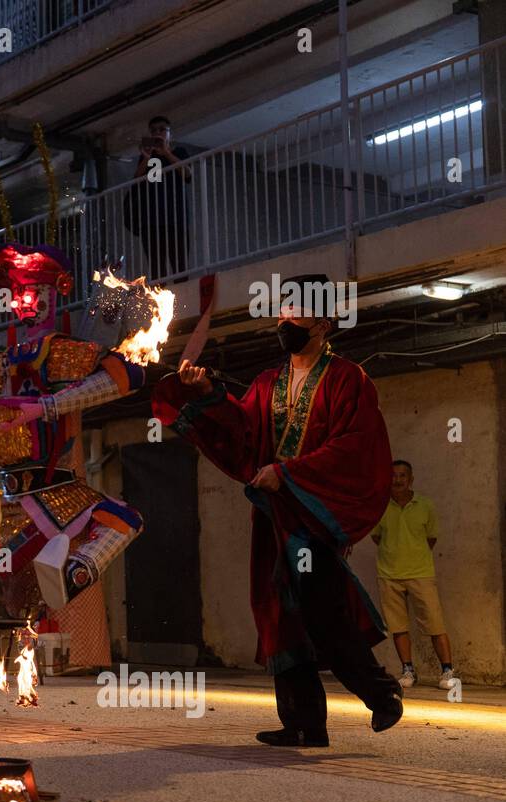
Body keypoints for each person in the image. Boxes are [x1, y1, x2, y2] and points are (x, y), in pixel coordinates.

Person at [152, 274, 403, 748]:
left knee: (321, 614)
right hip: (273, 521)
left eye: (297, 311)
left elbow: (356, 448)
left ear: (325, 322)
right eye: (283, 309)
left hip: (310, 520)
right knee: (276, 616)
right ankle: (304, 724)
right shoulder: (269, 382)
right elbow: (242, 431)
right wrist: (206, 394)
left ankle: (382, 692)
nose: (286, 319)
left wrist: (287, 474)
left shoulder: (349, 379)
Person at [370, 460, 457, 689]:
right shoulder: (379, 505)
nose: (397, 480)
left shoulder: (425, 505)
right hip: (389, 574)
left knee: (435, 624)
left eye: (402, 475)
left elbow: (431, 538)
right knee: (398, 626)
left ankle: (448, 671)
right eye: (393, 475)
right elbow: (376, 537)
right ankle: (408, 670)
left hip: (421, 573)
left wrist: (412, 554)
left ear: (411, 479)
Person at [126, 115, 191, 281]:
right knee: (156, 267)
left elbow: (188, 175)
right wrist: (146, 157)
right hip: (151, 219)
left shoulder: (178, 152)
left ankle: (183, 297)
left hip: (175, 217)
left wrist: (166, 152)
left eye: (162, 129)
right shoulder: (149, 157)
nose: (158, 133)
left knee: (180, 264)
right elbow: (136, 182)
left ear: (170, 134)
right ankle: (160, 301)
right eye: (154, 130)